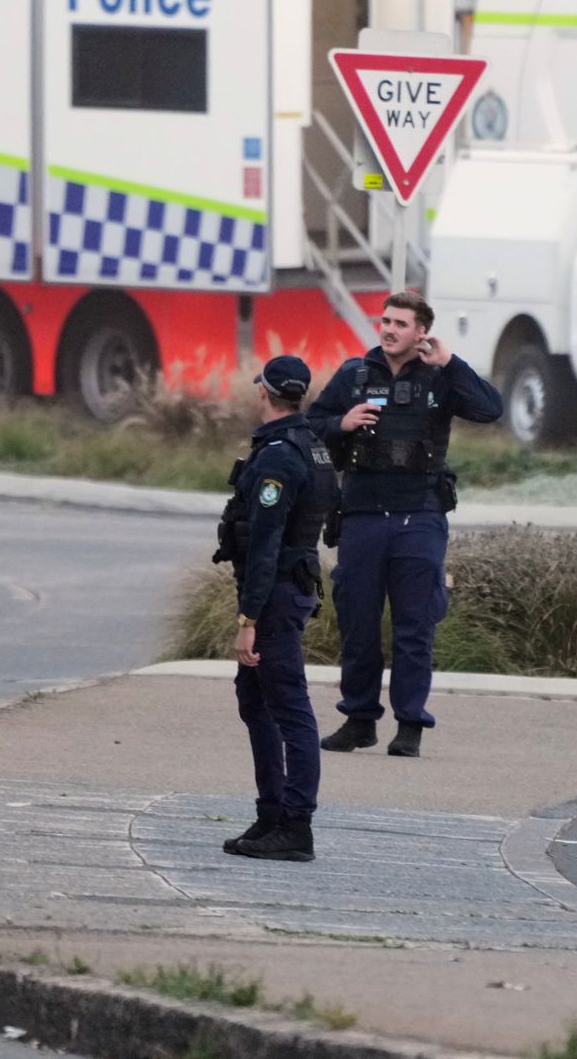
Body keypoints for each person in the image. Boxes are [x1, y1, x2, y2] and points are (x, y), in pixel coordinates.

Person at [306, 291, 502, 759]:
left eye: (400, 323)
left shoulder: (440, 376)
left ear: (421, 332)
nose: (389, 329)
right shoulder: (355, 374)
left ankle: (409, 723)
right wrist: (341, 423)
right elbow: (309, 425)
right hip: (363, 515)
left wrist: (451, 361)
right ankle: (359, 720)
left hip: (420, 515)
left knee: (415, 626)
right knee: (358, 622)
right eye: (385, 321)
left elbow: (490, 409)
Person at [213, 354, 339, 862]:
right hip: (292, 587)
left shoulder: (280, 456)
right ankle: (271, 815)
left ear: (263, 391)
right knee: (256, 700)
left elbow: (264, 545)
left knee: (288, 707)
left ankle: (295, 825)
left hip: (277, 594)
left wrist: (248, 621)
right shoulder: (312, 447)